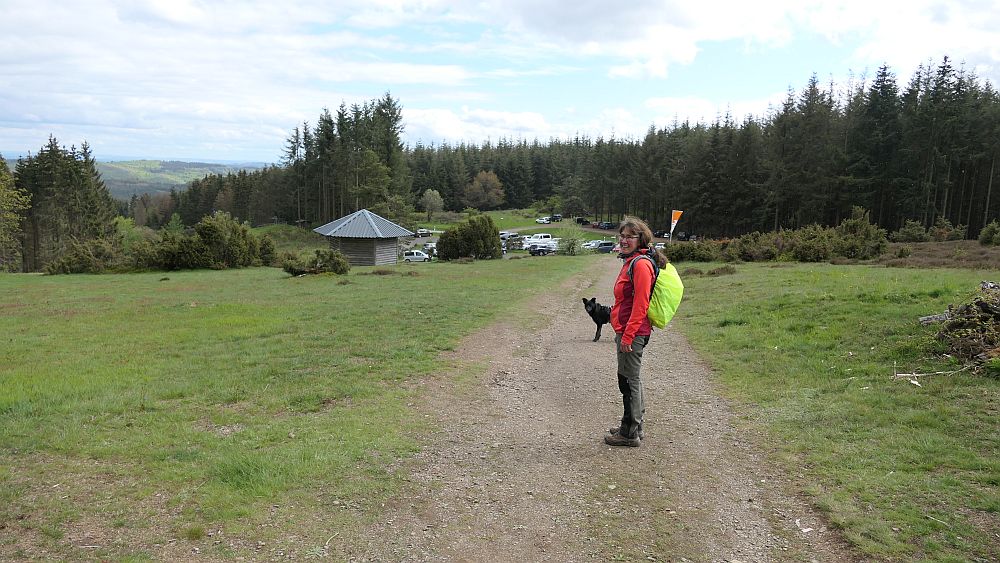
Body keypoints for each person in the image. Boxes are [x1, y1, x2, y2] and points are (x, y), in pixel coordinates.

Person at [605, 216, 667, 447]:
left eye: (629, 236)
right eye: (622, 236)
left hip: (633, 332)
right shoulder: (632, 261)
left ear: (640, 239)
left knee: (628, 381)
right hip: (629, 330)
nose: (624, 240)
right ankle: (633, 424)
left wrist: (628, 336)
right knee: (632, 379)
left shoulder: (640, 264)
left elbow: (641, 304)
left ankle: (629, 433)